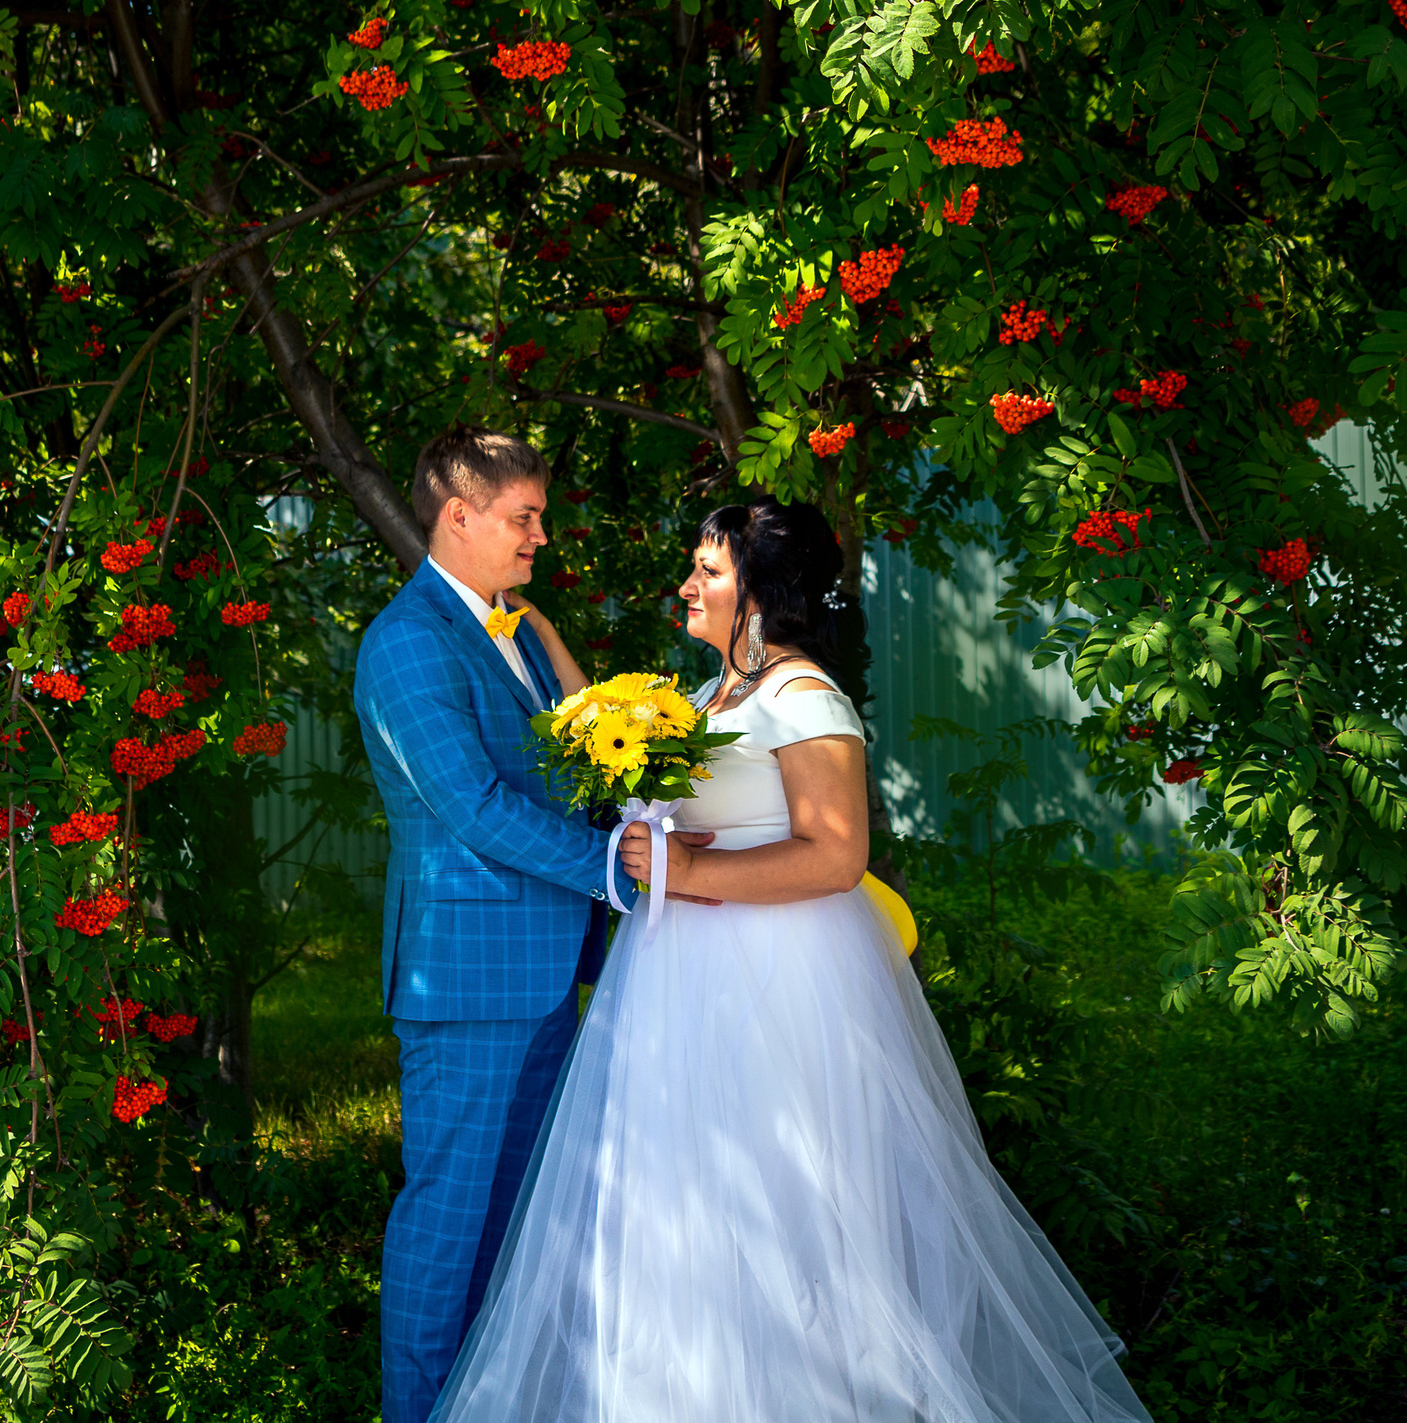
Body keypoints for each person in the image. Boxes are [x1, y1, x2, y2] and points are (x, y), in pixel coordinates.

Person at [431, 497, 1155, 1423]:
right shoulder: (706, 698)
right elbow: (600, 729)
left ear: (763, 593)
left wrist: (686, 868)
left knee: (786, 1214)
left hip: (777, 981)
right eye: (694, 566)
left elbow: (835, 854)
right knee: (678, 1203)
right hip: (675, 981)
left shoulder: (802, 696)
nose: (689, 585)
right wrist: (543, 633)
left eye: (711, 571)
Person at [352, 424, 642, 1423]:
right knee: (446, 1222)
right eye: (524, 518)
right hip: (466, 980)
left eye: (541, 517)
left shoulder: (508, 627)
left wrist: (635, 821)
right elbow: (469, 801)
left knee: (521, 1218)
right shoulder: (405, 642)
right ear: (457, 515)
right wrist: (614, 870)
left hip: (543, 971)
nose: (539, 537)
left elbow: (560, 777)